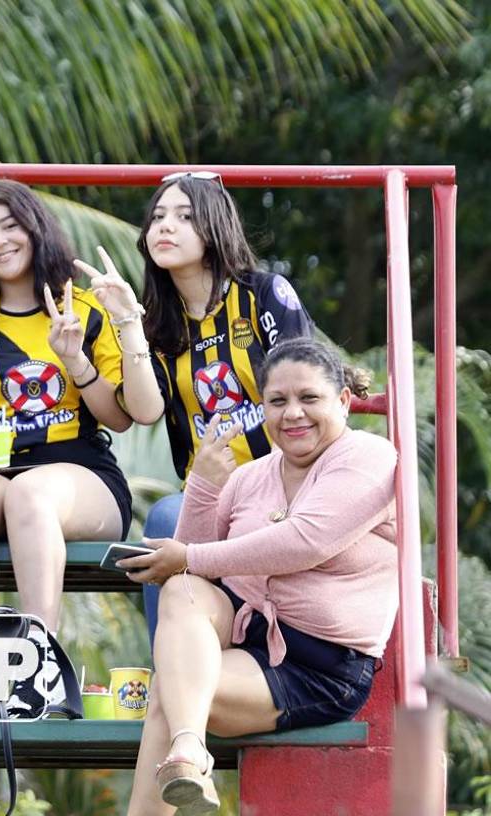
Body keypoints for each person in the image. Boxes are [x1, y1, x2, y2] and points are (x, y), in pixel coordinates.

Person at [119, 337, 396, 814]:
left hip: (322, 667)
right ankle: (188, 750)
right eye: (278, 401)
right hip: (248, 647)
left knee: (172, 686)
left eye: (309, 398)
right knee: (185, 592)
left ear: (344, 402)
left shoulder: (369, 458)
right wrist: (203, 486)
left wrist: (190, 558)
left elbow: (306, 542)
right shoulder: (251, 477)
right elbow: (191, 567)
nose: (293, 414)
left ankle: (185, 750)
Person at [0, 179, 157, 715]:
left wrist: (75, 360)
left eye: (10, 226)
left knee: (30, 493)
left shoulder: (81, 309)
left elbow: (121, 418)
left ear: (36, 230)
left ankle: (40, 671)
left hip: (82, 476)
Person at [131, 171, 314, 640]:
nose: (165, 227)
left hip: (282, 484)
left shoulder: (262, 295)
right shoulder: (154, 326)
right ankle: (172, 683)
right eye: (157, 217)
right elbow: (146, 411)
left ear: (214, 226)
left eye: (184, 217)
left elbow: (310, 391)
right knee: (165, 520)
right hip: (206, 495)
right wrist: (125, 326)